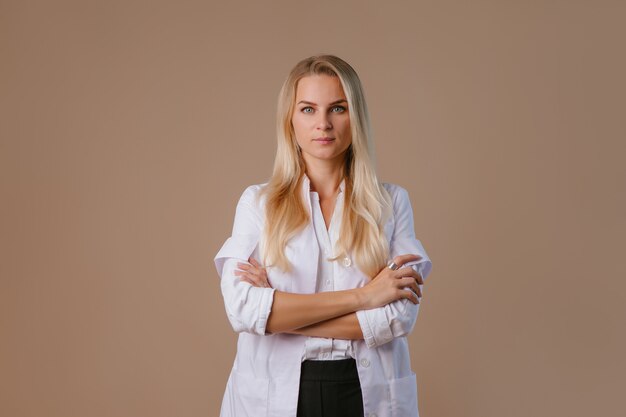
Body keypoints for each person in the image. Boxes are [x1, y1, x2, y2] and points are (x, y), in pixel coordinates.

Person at [214, 54, 433, 417]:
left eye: (337, 108)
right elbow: (242, 310)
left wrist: (281, 313)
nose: (324, 124)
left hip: (364, 390)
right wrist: (366, 296)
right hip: (278, 394)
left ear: (355, 116)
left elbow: (397, 318)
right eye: (308, 109)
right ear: (291, 120)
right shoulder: (257, 204)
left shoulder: (391, 203)